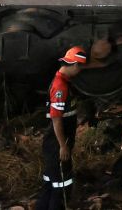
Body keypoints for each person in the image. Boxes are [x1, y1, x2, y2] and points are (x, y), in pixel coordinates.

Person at [36, 46, 87, 210]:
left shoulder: (62, 82)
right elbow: (56, 119)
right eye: (80, 68)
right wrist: (63, 146)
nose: (80, 72)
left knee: (50, 184)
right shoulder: (60, 86)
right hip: (57, 144)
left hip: (54, 143)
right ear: (74, 65)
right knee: (61, 186)